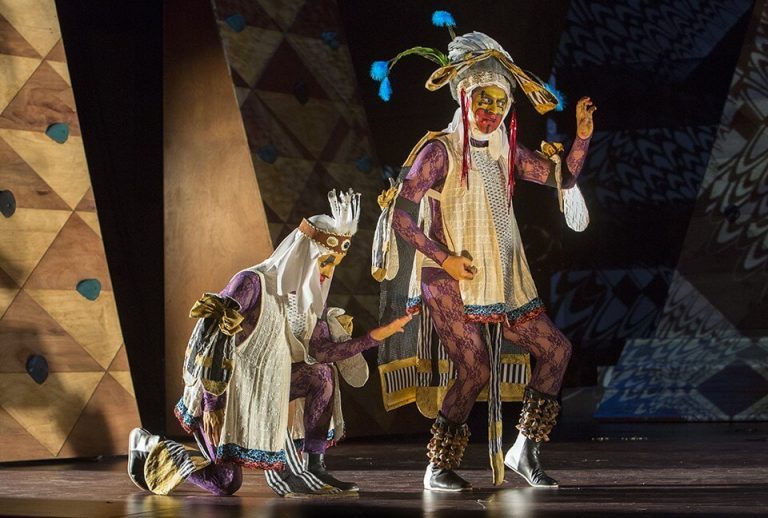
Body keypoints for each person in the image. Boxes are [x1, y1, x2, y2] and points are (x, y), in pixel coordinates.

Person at [371, 13, 595, 491]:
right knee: (474, 369)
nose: (491, 110)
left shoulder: (505, 151)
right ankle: (438, 466)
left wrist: (582, 135)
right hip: (446, 277)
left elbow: (563, 178)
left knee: (556, 350)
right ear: (464, 97)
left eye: (499, 101)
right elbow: (401, 218)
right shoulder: (439, 151)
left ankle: (524, 449)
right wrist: (444, 258)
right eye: (482, 99)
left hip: (502, 273)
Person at [128, 189, 412, 496]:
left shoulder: (307, 301)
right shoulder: (252, 282)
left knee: (322, 373)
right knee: (225, 482)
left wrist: (376, 336)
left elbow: (322, 353)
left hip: (261, 391)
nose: (328, 272)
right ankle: (152, 447)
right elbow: (213, 338)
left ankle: (314, 467)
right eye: (326, 262)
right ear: (306, 254)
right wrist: (211, 403)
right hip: (224, 394)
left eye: (335, 264)